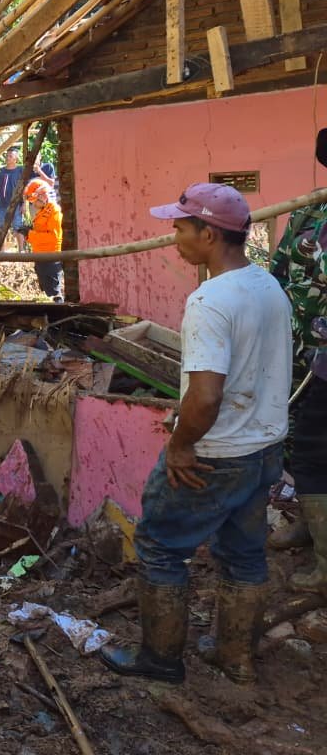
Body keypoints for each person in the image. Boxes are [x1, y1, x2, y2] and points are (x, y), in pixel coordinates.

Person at [100, 183, 291, 686]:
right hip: (263, 446)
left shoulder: (209, 300)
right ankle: (235, 656)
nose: (174, 237)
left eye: (181, 228)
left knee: (161, 546)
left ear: (208, 233)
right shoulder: (267, 285)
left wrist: (181, 444)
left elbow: (206, 396)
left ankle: (161, 660)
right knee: (244, 552)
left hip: (215, 453)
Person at [268, 127, 327, 590]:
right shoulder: (311, 208)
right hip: (301, 348)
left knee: (314, 448)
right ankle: (311, 526)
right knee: (301, 443)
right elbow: (280, 269)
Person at [21, 179, 62, 301]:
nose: (33, 205)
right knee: (47, 292)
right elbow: (40, 234)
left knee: (54, 292)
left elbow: (52, 237)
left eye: (34, 201)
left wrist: (30, 234)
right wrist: (27, 234)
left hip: (51, 256)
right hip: (40, 255)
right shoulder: (42, 212)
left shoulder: (54, 211)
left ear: (42, 197)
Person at [0, 147, 27, 251]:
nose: (7, 158)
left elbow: (25, 187)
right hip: (1, 205)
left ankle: (21, 250)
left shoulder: (20, 170)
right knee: (1, 228)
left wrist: (24, 204)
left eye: (10, 156)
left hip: (16, 205)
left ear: (16, 158)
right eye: (6, 155)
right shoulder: (0, 171)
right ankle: (2, 251)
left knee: (18, 227)